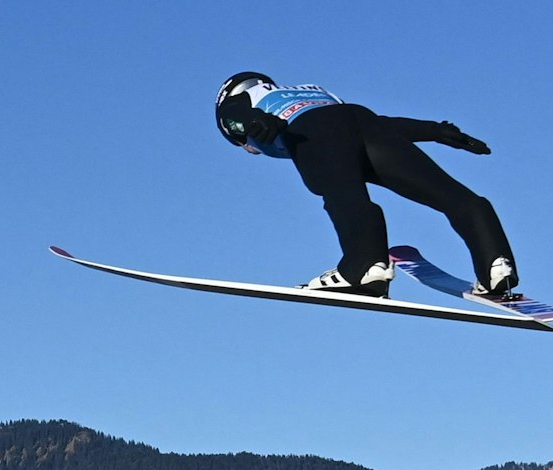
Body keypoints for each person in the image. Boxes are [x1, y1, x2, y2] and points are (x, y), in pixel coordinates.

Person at [215, 71, 517, 299]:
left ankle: (365, 265)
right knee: (450, 195)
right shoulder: (314, 90)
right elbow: (378, 125)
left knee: (343, 193)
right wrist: (434, 130)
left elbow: (234, 116)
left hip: (313, 131)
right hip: (365, 121)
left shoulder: (247, 98)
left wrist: (252, 122)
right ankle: (495, 263)